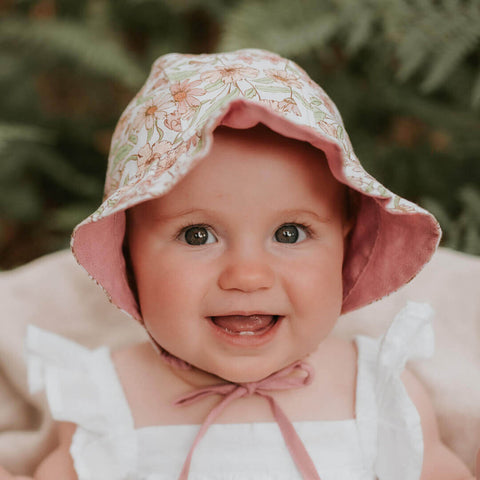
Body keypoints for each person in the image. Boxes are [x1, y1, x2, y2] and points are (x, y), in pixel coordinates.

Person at [0, 49, 474, 480]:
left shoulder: (378, 387)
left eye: (290, 233)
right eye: (197, 235)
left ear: (346, 245)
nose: (248, 276)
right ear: (126, 254)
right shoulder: (102, 398)